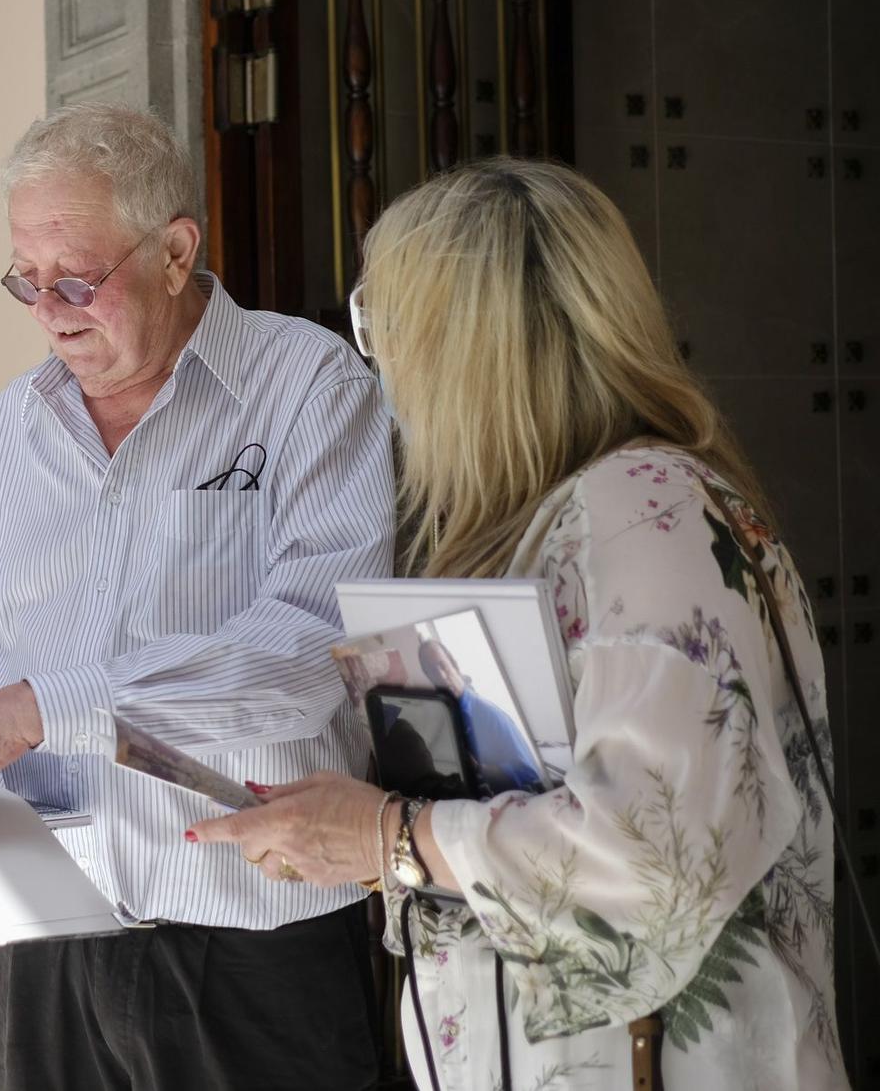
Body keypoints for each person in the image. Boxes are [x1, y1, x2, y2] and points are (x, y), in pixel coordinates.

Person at [189, 158, 849, 1090]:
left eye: (383, 323)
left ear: (470, 344)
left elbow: (648, 859)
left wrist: (386, 836)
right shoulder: (567, 518)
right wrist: (354, 837)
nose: (380, 366)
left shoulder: (648, 510)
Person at [0, 103, 395, 1091]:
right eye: (24, 280)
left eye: (76, 277)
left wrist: (36, 711)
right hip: (56, 940)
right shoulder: (15, 426)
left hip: (253, 942)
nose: (48, 308)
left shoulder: (307, 385)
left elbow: (310, 645)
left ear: (175, 252)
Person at [414, 633, 540, 793]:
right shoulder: (444, 720)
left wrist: (481, 769)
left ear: (455, 666)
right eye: (433, 671)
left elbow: (531, 773)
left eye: (443, 666)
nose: (442, 677)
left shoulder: (489, 714)